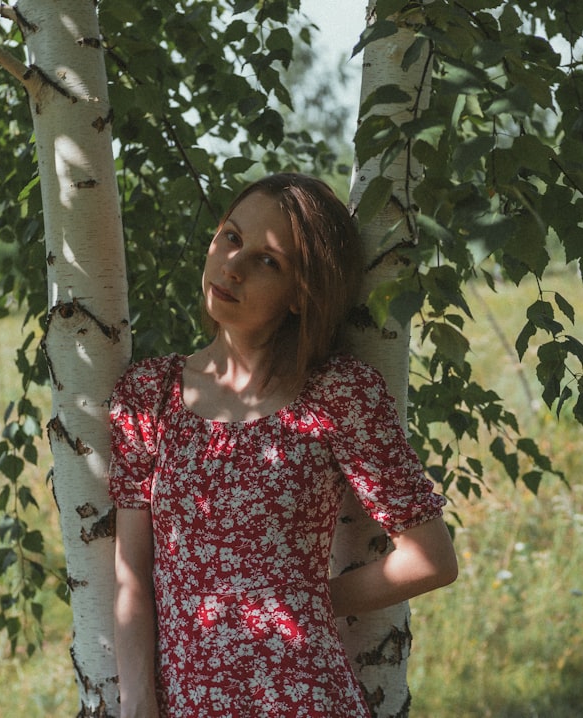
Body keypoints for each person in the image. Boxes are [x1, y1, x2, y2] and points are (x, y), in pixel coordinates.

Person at [108, 172, 458, 718]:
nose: (232, 266)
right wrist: (135, 702)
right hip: (183, 702)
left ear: (301, 295)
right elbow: (131, 573)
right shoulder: (147, 396)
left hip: (303, 697)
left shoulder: (338, 396)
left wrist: (297, 601)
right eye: (230, 237)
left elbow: (430, 560)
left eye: (267, 262)